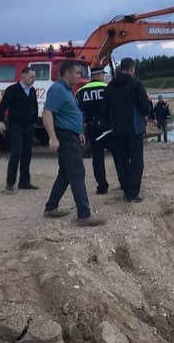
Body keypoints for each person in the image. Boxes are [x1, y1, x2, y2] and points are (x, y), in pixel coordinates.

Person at [42, 60, 105, 225]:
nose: (80, 76)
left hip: (72, 135)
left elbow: (70, 113)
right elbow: (47, 113)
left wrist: (79, 132)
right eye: (77, 73)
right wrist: (52, 137)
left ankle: (50, 208)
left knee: (65, 173)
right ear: (67, 73)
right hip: (65, 136)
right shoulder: (57, 90)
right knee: (77, 172)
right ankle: (84, 215)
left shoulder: (68, 90)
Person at [105, 58, 150, 202]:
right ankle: (133, 193)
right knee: (136, 162)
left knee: (122, 160)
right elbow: (144, 106)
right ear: (132, 69)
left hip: (117, 129)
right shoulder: (136, 84)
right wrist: (148, 109)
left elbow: (105, 109)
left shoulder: (110, 85)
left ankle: (125, 189)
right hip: (135, 128)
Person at [76, 67, 124, 195]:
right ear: (100, 75)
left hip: (91, 129)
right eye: (103, 74)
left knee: (97, 158)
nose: (104, 76)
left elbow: (78, 112)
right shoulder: (108, 88)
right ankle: (124, 182)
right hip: (108, 128)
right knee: (118, 155)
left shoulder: (80, 92)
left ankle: (102, 186)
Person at [0, 67, 39, 192]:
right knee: (17, 152)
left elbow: (35, 107)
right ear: (24, 77)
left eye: (34, 77)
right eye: (32, 77)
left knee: (27, 154)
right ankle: (10, 183)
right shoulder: (12, 90)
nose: (34, 79)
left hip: (29, 126)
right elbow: (3, 105)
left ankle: (24, 182)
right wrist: (0, 121)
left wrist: (34, 121)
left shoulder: (32, 91)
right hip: (16, 126)